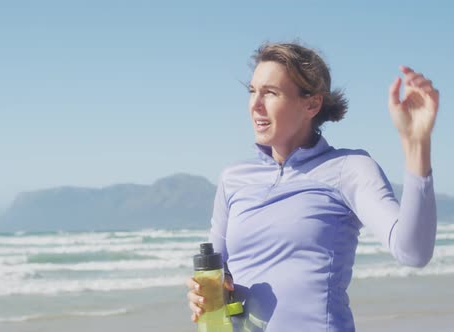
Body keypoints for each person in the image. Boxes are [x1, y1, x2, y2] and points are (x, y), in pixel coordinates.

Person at [185, 42, 438, 331]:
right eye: (253, 91)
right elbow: (218, 275)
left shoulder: (348, 169)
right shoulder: (233, 178)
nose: (255, 104)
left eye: (270, 92)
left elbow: (414, 252)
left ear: (312, 104)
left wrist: (417, 145)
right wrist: (201, 294)